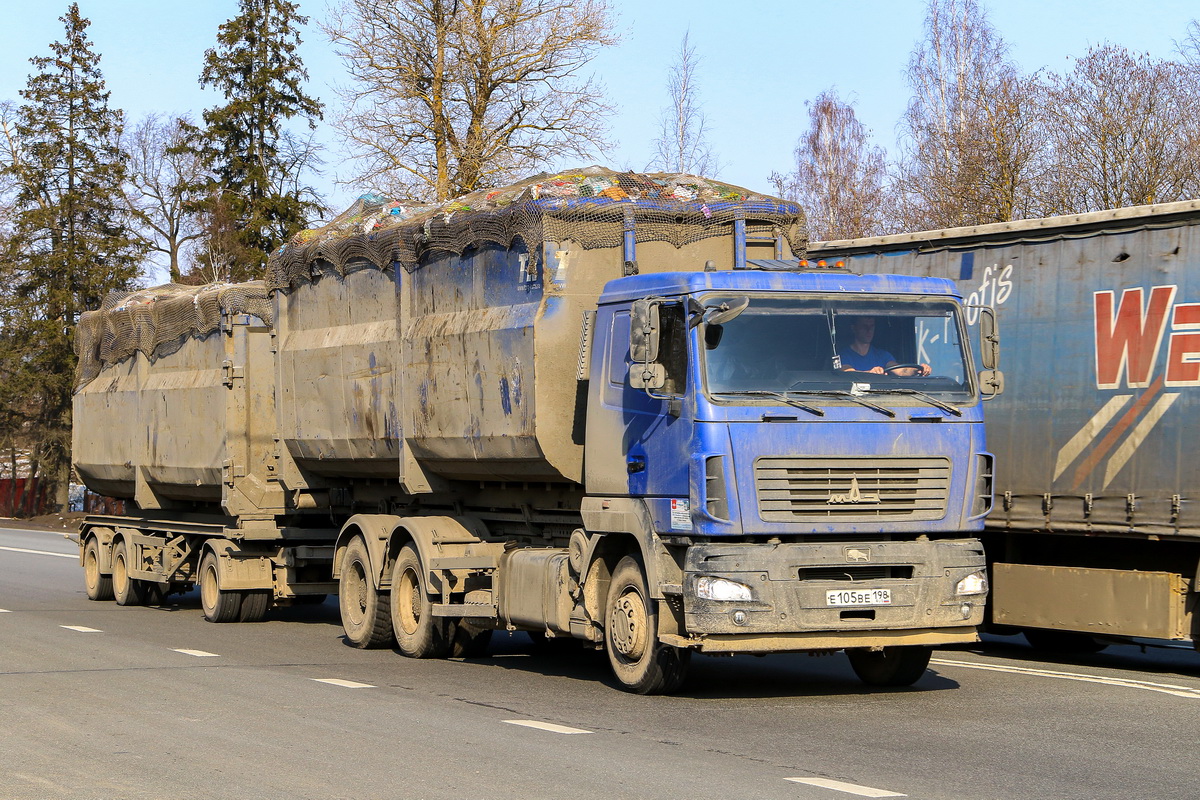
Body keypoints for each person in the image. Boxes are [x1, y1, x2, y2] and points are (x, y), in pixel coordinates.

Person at [839, 316, 930, 376]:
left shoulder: (882, 355)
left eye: (872, 326)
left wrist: (918, 369)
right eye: (864, 326)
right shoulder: (843, 355)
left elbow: (902, 371)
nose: (869, 330)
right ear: (854, 328)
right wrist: (871, 374)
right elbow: (848, 373)